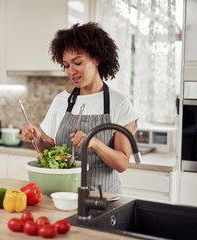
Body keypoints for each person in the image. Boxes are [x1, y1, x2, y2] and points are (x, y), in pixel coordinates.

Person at [20, 22, 138, 194]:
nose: (71, 71)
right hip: (63, 196)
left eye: (77, 63)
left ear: (97, 58)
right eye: (67, 65)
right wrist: (37, 139)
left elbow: (122, 163)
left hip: (102, 198)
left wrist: (94, 142)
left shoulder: (120, 103)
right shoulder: (62, 100)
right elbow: (51, 154)